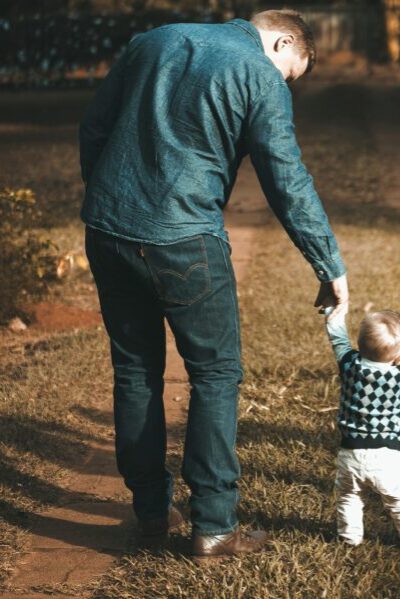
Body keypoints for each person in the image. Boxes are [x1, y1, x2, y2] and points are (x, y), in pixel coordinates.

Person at [79, 10, 349, 559]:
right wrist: (328, 265)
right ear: (281, 40)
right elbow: (286, 180)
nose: (285, 83)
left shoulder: (150, 40)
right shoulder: (259, 74)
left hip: (107, 231)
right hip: (185, 240)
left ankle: (152, 514)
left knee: (135, 371)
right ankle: (215, 525)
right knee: (216, 374)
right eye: (291, 72)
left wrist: (110, 201)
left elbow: (94, 127)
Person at [324, 309, 400, 547]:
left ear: (360, 344)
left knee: (348, 497)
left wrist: (333, 312)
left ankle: (349, 538)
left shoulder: (349, 365)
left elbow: (337, 338)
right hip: (387, 456)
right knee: (399, 499)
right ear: (398, 357)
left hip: (350, 453)